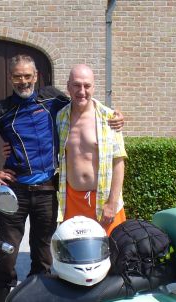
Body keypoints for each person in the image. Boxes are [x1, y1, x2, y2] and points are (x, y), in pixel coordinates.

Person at [0, 55, 123, 302]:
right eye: (17, 76)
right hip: (14, 190)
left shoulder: (53, 99)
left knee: (43, 252)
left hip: (46, 190)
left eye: (27, 76)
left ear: (36, 77)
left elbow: (83, 102)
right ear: (10, 78)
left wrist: (116, 117)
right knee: (7, 250)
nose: (23, 81)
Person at [56, 64, 127, 235]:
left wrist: (112, 203)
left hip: (103, 202)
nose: (82, 91)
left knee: (111, 248)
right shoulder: (60, 117)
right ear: (68, 86)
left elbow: (118, 163)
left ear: (94, 87)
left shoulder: (109, 118)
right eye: (76, 85)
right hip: (71, 201)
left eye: (87, 86)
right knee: (75, 249)